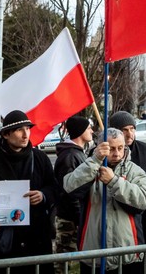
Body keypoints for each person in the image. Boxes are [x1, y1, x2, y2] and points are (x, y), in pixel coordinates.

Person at [0, 110, 57, 274]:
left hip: (36, 244)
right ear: (6, 135)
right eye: (19, 130)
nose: (26, 134)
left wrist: (43, 195)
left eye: (28, 129)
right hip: (4, 248)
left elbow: (54, 188)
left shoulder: (40, 159)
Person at [63, 128, 146, 274]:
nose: (116, 154)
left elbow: (143, 199)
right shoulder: (88, 167)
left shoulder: (135, 171)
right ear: (100, 147)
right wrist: (95, 161)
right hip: (93, 255)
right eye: (111, 149)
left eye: (120, 148)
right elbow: (69, 186)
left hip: (128, 255)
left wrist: (114, 182)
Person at [109, 111, 146, 274]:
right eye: (124, 130)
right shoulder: (105, 153)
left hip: (143, 217)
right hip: (119, 219)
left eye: (132, 129)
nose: (129, 134)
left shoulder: (145, 150)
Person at [53, 115, 94, 274]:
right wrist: (79, 217)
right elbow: (70, 192)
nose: (91, 130)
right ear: (80, 131)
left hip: (74, 216)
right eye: (88, 127)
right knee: (63, 261)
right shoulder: (70, 156)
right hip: (69, 218)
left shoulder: (77, 153)